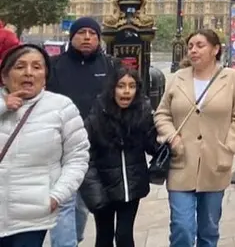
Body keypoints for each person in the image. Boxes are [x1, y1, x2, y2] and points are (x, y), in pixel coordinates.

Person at [154, 29, 235, 247]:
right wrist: (171, 137)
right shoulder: (178, 78)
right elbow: (162, 113)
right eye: (190, 47)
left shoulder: (232, 78)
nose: (193, 50)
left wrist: (228, 148)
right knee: (182, 228)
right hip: (181, 162)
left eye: (200, 45)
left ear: (215, 49)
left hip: (215, 163)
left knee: (208, 231)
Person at [0, 44, 90, 247]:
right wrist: (4, 106)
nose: (28, 73)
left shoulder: (61, 107)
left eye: (37, 67)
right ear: (5, 75)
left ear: (45, 77)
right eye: (20, 67)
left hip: (31, 215)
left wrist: (57, 195)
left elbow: (77, 157)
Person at [47, 17, 119, 247]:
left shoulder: (110, 66)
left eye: (92, 33)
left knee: (81, 206)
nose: (87, 37)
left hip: (94, 149)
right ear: (72, 36)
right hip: (60, 147)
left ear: (99, 38)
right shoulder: (53, 66)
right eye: (81, 32)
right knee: (64, 202)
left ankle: (73, 239)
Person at [78, 66, 160, 247]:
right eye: (121, 86)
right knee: (104, 236)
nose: (126, 91)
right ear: (112, 88)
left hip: (131, 186)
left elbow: (152, 145)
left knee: (124, 235)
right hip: (103, 188)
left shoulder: (142, 114)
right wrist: (95, 192)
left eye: (132, 86)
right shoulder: (96, 117)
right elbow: (85, 156)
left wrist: (164, 138)